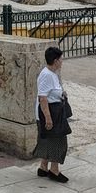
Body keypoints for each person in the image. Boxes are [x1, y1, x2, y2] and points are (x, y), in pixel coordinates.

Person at [33, 46, 71, 183]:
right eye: (61, 59)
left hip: (54, 112)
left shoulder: (53, 73)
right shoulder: (46, 75)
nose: (62, 61)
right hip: (50, 114)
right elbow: (42, 98)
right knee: (59, 142)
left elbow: (52, 92)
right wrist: (48, 119)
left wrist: (62, 93)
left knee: (48, 141)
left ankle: (43, 167)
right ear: (55, 61)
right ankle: (54, 170)